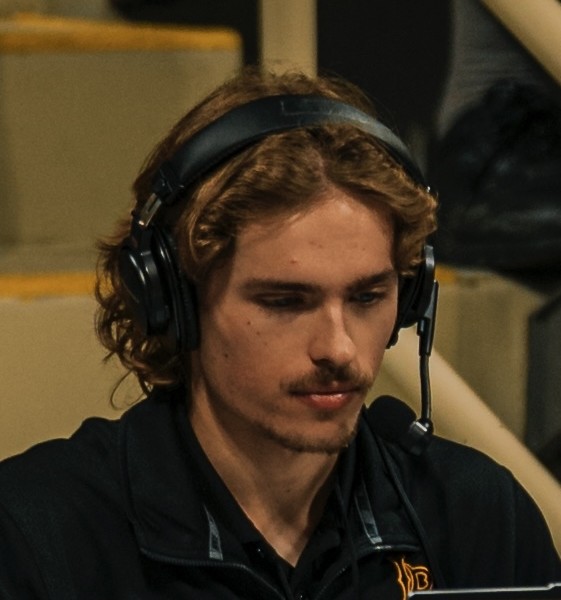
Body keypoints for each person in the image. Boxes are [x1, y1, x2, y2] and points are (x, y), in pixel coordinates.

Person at [0, 68, 560, 600]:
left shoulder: (477, 518)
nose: (338, 348)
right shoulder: (37, 536)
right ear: (173, 300)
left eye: (368, 297)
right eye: (285, 302)